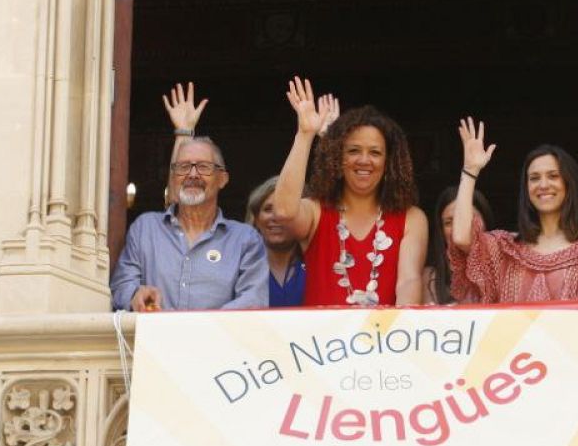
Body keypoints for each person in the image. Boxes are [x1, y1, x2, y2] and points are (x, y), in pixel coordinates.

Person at [267, 78, 427, 307]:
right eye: (353, 150)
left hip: (386, 339)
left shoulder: (412, 217)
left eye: (375, 152)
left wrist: (401, 331)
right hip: (320, 341)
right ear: (338, 158)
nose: (364, 160)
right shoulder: (315, 211)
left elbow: (409, 281)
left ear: (389, 162)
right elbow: (282, 210)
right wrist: (305, 135)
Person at [110, 84, 267, 311]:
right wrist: (136, 294)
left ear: (222, 179)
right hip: (153, 344)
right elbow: (120, 286)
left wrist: (193, 329)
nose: (192, 174)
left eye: (203, 167)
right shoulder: (145, 229)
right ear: (173, 178)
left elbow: (254, 300)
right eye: (183, 167)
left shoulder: (246, 240)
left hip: (216, 345)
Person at [447, 117, 578, 302]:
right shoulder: (506, 249)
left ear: (568, 183)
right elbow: (461, 237)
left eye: (553, 176)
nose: (543, 185)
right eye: (534, 178)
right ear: (527, 189)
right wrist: (470, 170)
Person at [429, 185, 496, 305]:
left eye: (467, 218)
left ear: (485, 220)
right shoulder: (429, 278)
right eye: (449, 222)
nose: (458, 228)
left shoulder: (506, 269)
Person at [248, 176, 306, 308]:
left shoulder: (318, 264)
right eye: (268, 209)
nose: (276, 216)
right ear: (256, 219)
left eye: (285, 208)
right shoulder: (242, 267)